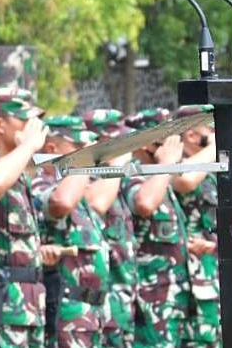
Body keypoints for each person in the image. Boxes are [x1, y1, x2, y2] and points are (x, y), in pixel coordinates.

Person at [0, 87, 52, 348]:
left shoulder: (16, 169)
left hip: (29, 303)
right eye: (25, 121)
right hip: (3, 302)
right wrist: (29, 146)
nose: (33, 128)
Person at [31, 115, 110, 348]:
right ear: (52, 148)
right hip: (64, 312)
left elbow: (98, 201)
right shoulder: (40, 183)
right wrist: (84, 159)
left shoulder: (77, 186)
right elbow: (61, 202)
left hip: (90, 313)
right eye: (78, 148)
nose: (86, 153)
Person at [122, 109, 191, 348]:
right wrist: (167, 164)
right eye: (163, 139)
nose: (171, 146)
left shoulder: (160, 178)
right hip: (148, 303)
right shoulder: (130, 175)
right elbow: (144, 203)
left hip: (171, 300)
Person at [81, 109, 138, 348]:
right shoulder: (85, 177)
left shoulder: (112, 177)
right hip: (96, 306)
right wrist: (116, 166)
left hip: (121, 304)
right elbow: (96, 203)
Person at [173, 105, 220, 348]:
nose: (217, 133)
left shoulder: (209, 171)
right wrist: (214, 146)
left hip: (212, 274)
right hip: (185, 280)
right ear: (192, 135)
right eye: (212, 128)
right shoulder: (171, 164)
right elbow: (185, 181)